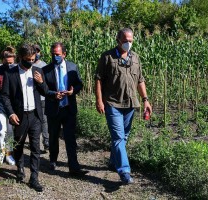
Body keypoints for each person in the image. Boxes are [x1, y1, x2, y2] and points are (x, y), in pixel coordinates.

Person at [95, 28, 152, 184]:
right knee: (118, 137)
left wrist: (145, 99)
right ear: (118, 40)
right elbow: (98, 79)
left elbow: (140, 80)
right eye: (125, 40)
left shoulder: (136, 58)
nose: (128, 43)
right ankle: (124, 171)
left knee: (124, 137)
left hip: (130, 103)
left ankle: (114, 162)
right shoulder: (107, 57)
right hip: (112, 103)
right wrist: (99, 100)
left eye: (131, 40)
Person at [1, 44, 48, 192]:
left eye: (33, 59)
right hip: (19, 116)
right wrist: (11, 113)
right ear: (20, 58)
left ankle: (34, 177)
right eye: (28, 59)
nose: (31, 62)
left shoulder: (37, 70)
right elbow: (5, 96)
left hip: (34, 115)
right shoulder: (11, 73)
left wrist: (41, 82)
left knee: (35, 148)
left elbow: (45, 91)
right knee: (19, 145)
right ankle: (20, 168)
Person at [42, 42, 88, 177]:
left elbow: (80, 84)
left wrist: (73, 91)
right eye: (53, 54)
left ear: (64, 54)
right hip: (53, 108)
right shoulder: (46, 70)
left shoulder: (72, 67)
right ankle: (53, 159)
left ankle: (74, 167)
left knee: (70, 138)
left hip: (69, 108)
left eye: (57, 54)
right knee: (53, 136)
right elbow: (43, 89)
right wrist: (53, 94)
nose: (55, 56)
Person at [32, 44, 49, 152]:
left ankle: (46, 141)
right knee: (34, 121)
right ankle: (35, 142)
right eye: (34, 51)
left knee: (44, 120)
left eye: (38, 51)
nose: (36, 53)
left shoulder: (44, 65)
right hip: (31, 98)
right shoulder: (27, 65)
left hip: (42, 98)